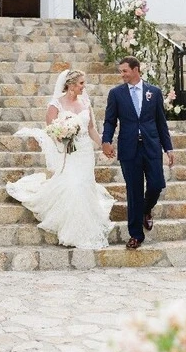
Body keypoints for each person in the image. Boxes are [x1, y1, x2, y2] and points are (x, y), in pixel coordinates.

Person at [6, 69, 114, 249]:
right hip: (68, 153)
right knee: (73, 185)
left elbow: (92, 129)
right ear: (70, 85)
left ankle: (85, 227)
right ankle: (72, 230)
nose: (83, 87)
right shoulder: (56, 104)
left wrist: (104, 145)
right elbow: (51, 129)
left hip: (85, 152)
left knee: (84, 185)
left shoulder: (86, 103)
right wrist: (64, 135)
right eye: (81, 83)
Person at [102, 56, 174, 249]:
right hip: (129, 148)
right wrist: (106, 141)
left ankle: (146, 209)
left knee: (157, 184)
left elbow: (161, 122)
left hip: (151, 146)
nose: (122, 74)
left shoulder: (154, 92)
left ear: (136, 70)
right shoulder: (116, 94)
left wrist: (168, 148)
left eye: (125, 71)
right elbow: (110, 121)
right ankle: (136, 235)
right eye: (121, 71)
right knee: (133, 191)